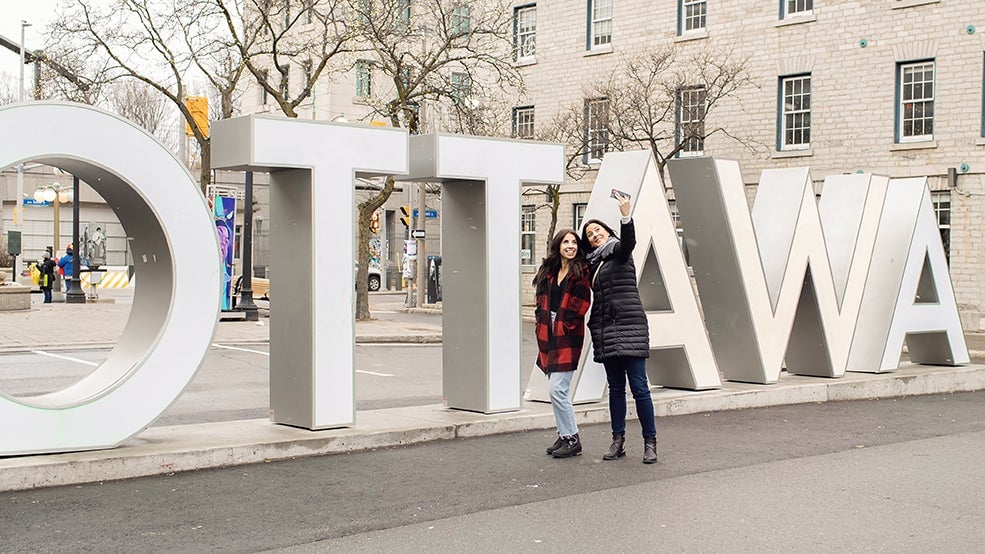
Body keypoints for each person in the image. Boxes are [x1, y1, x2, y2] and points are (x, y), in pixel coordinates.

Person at [581, 191, 658, 464]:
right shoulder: (593, 263)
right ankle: (618, 441)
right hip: (605, 330)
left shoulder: (618, 251)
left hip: (629, 327)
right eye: (589, 234)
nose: (594, 235)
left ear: (607, 231)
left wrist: (626, 215)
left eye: (597, 230)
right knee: (615, 389)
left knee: (639, 388)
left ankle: (650, 443)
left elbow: (629, 242)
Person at [533, 229, 592, 459]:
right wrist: (541, 324)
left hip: (567, 334)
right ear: (558, 245)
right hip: (547, 331)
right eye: (566, 242)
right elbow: (540, 301)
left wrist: (564, 325)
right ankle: (564, 434)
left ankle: (573, 439)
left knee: (557, 389)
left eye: (574, 242)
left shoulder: (581, 271)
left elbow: (580, 304)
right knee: (556, 390)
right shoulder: (549, 271)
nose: (571, 246)